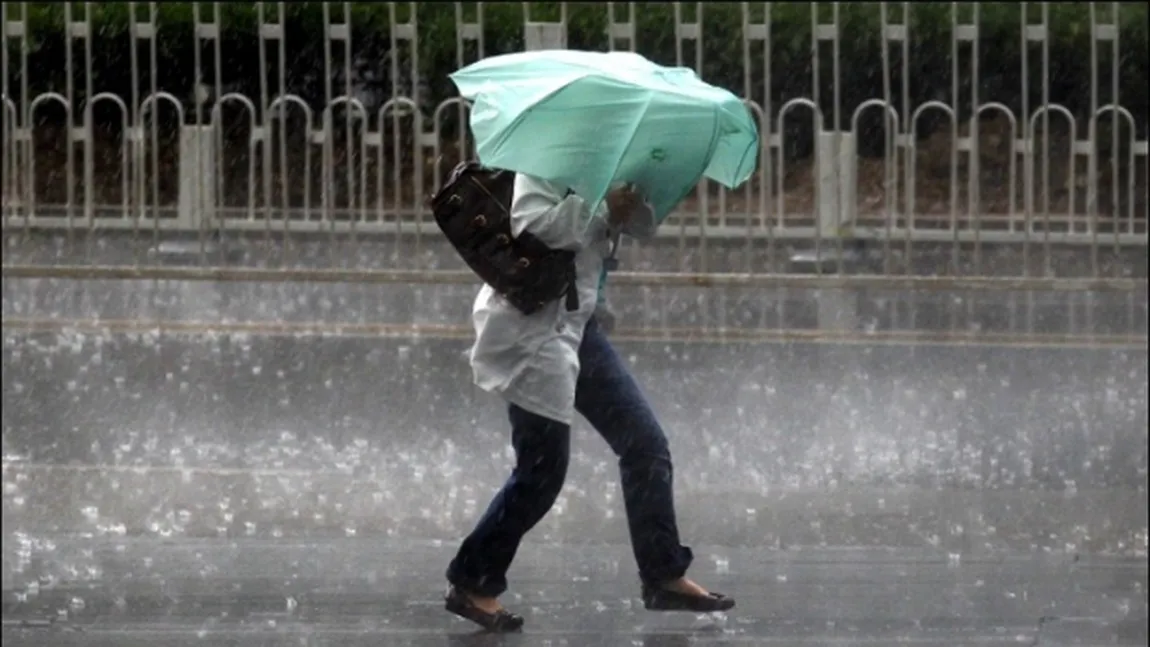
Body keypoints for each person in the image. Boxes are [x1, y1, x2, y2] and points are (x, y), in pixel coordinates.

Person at [443, 174, 734, 632]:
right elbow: (531, 223)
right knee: (541, 472)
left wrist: (630, 202)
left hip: (579, 327)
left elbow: (639, 227)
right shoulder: (546, 154)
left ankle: (663, 574)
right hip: (533, 328)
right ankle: (472, 581)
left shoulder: (611, 155)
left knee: (644, 444)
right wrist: (601, 210)